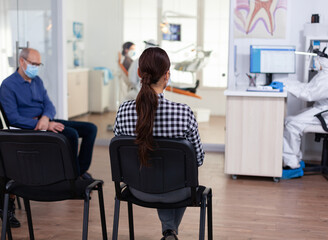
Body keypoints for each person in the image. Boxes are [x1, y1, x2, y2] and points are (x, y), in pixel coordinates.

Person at [114, 47, 204, 240]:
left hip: (138, 190)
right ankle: (169, 231)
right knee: (177, 176)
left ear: (139, 74)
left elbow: (120, 155)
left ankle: (169, 231)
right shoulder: (183, 113)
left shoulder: (123, 111)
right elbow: (197, 159)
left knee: (157, 172)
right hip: (177, 193)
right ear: (167, 75)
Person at [0, 48, 97, 177]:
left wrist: (46, 118)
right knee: (71, 134)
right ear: (21, 61)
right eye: (33, 64)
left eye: (38, 65)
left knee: (90, 129)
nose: (36, 67)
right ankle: (72, 177)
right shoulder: (8, 85)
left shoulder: (37, 81)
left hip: (45, 121)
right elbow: (13, 118)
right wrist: (41, 124)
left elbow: (49, 105)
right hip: (29, 127)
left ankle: (79, 172)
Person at [283, 47, 328, 169]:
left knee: (291, 123)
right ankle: (295, 159)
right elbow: (309, 87)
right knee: (291, 119)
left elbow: (309, 95)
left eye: (318, 58)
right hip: (324, 110)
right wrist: (287, 84)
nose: (316, 61)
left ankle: (292, 165)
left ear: (324, 60)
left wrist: (288, 88)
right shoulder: (326, 73)